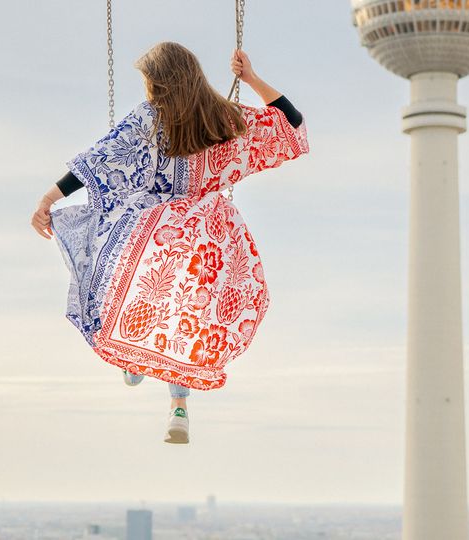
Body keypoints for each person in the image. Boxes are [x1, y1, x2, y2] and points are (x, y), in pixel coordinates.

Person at [31, 42, 308, 444]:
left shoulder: (150, 118)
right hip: (207, 236)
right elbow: (290, 123)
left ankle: (133, 356)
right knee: (187, 313)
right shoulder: (225, 119)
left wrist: (49, 198)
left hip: (155, 231)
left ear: (158, 82)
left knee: (120, 271)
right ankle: (178, 407)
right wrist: (250, 79)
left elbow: (101, 160)